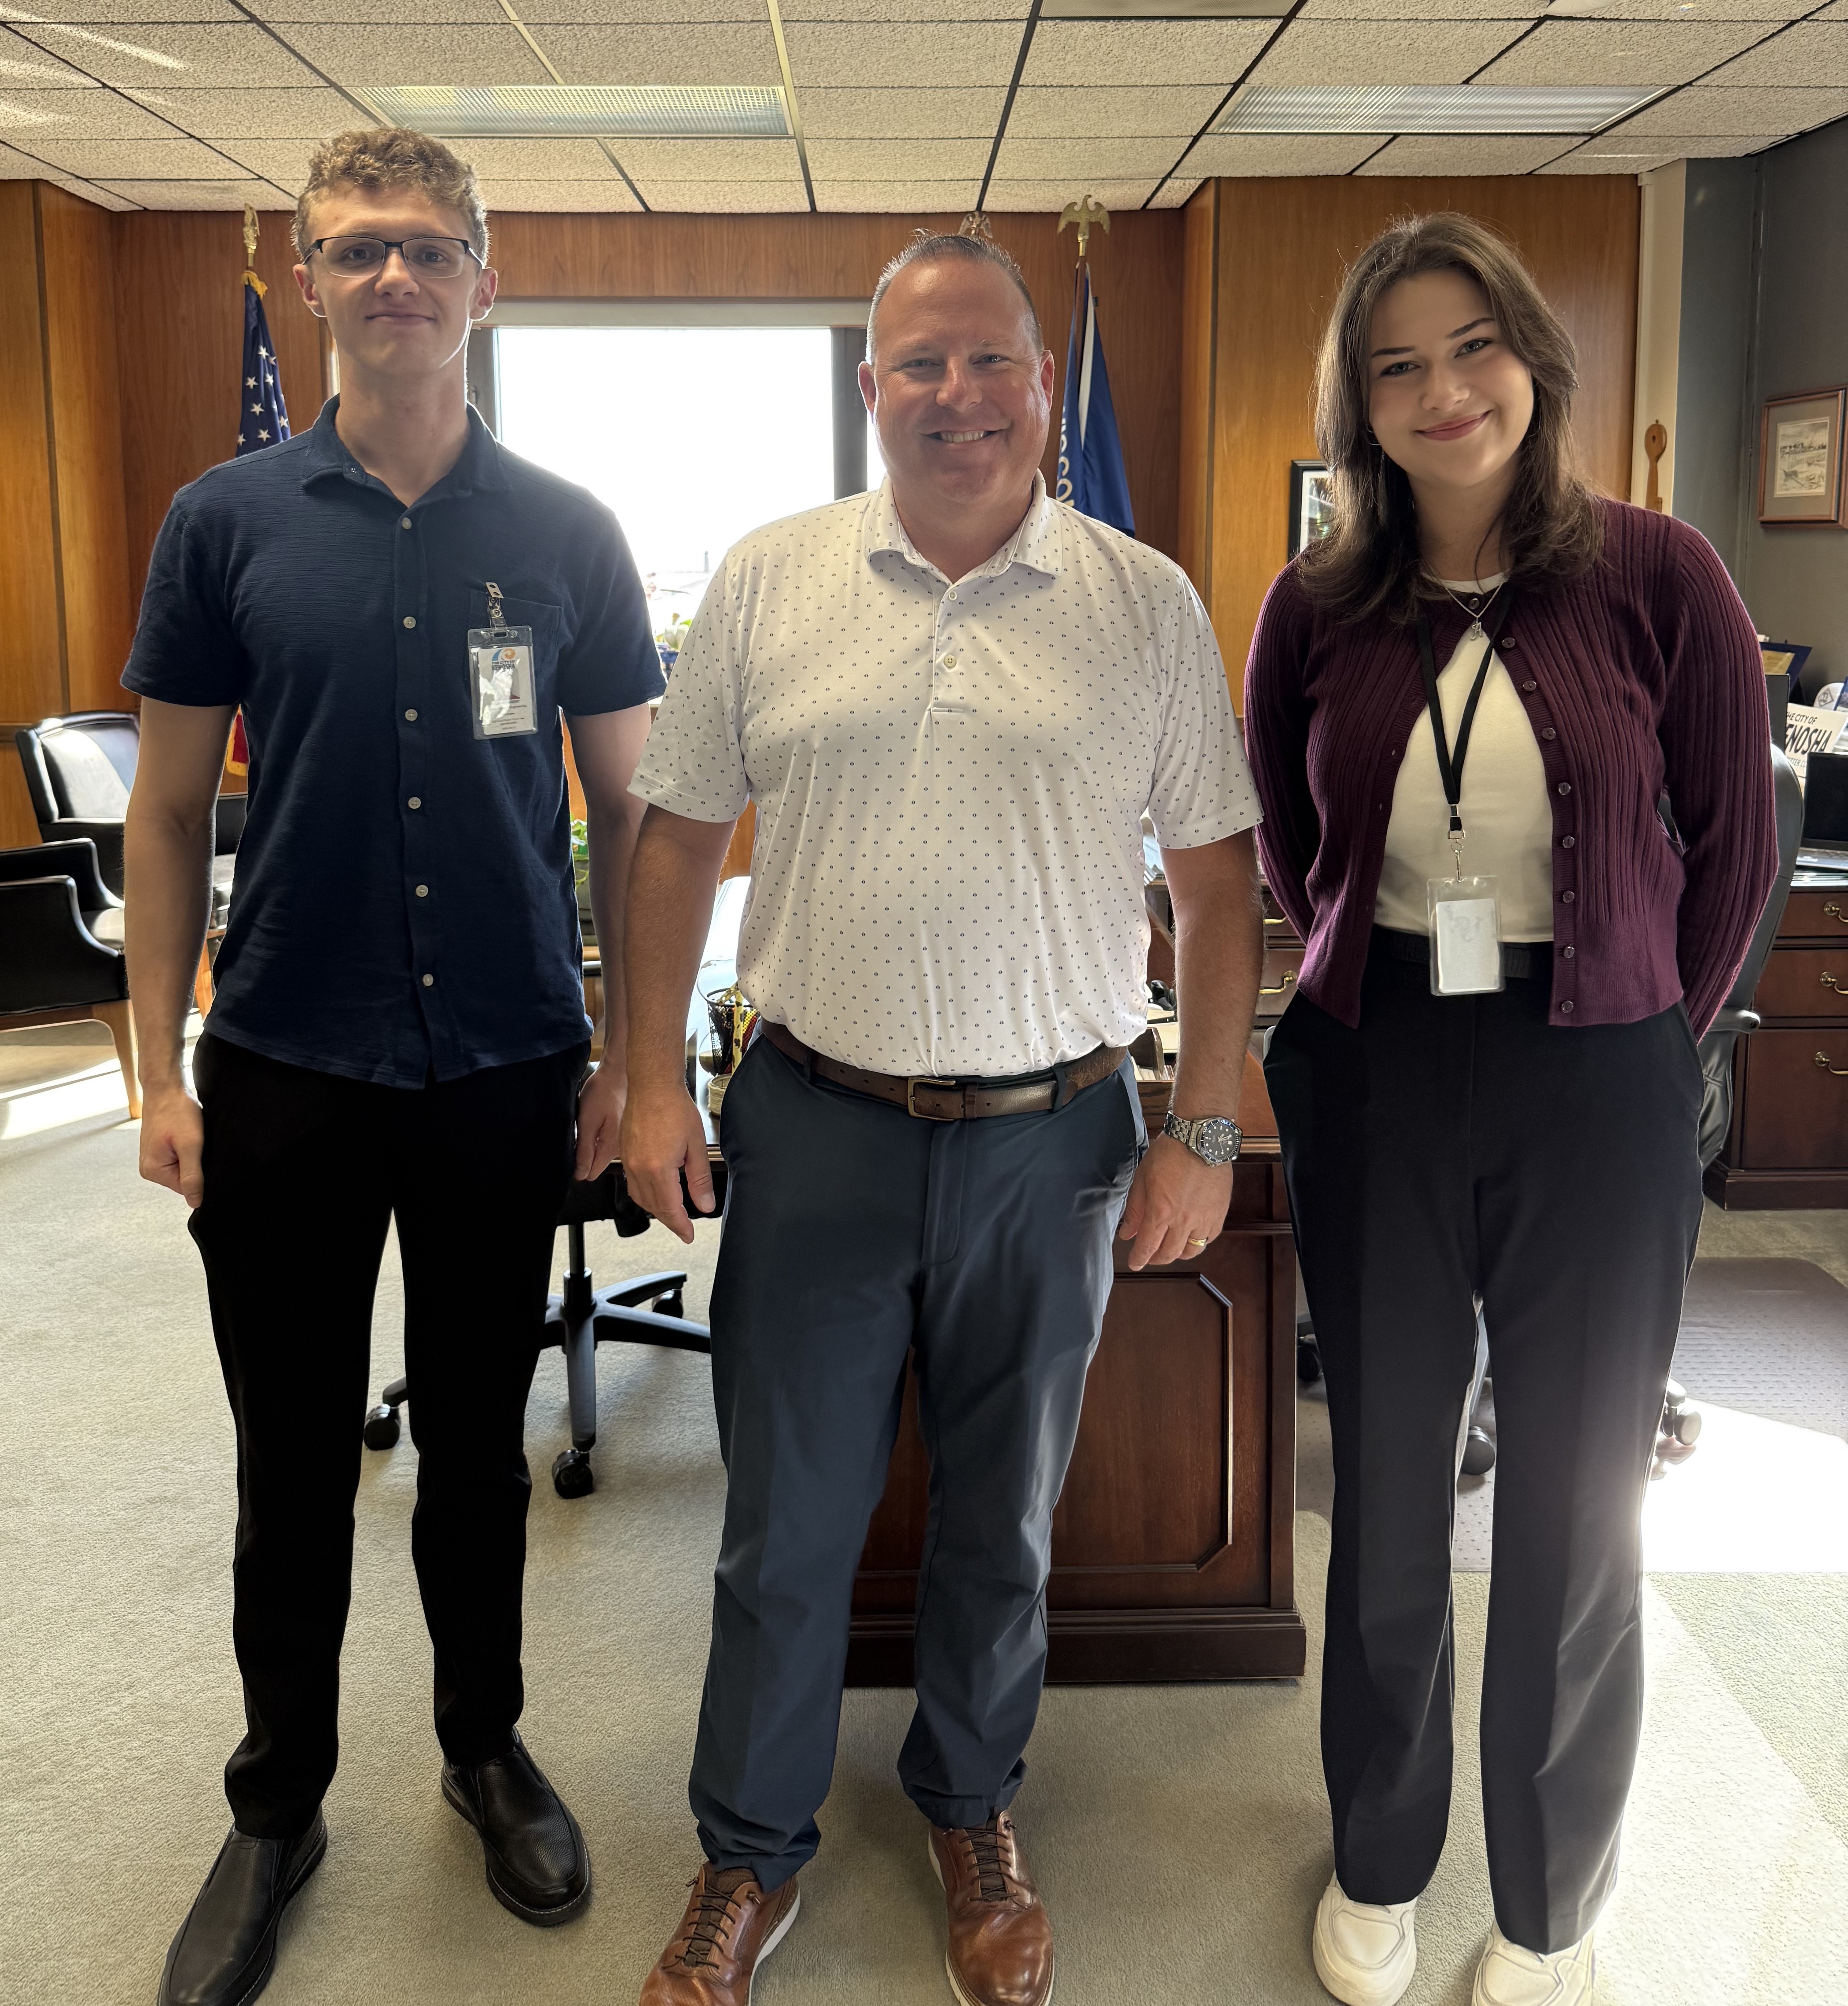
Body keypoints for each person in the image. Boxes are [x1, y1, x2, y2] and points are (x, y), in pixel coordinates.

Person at [619, 231, 1264, 2006]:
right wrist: (653, 1070)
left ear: (1043, 387)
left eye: (993, 362)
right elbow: (675, 838)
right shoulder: (769, 580)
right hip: (818, 1122)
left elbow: (1219, 890)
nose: (960, 396)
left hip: (1046, 1143)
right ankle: (748, 1854)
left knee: (1004, 1525)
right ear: (871, 388)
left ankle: (971, 1808)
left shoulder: (1143, 600)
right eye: (924, 365)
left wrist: (1198, 1128)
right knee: (785, 1528)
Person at [123, 129, 663, 2006]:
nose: (395, 279)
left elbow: (633, 811)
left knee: (475, 1458)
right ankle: (278, 1803)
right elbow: (172, 808)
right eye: (357, 250)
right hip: (281, 1057)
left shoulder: (571, 535)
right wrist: (154, 1073)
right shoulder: (227, 523)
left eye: (430, 249)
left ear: (483, 284)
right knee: (288, 1460)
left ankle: (482, 1745)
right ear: (311, 283)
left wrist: (632, 1054)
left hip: (505, 1063)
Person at [1245, 213, 1777, 2006]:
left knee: (1571, 1506)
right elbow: (1290, 832)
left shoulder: (1660, 572)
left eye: (1469, 346)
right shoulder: (1315, 601)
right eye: (1394, 364)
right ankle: (1381, 1859)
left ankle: (1550, 1902)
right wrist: (1355, 986)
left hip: (1600, 1077)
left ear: (1533, 361)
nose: (1440, 390)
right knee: (1390, 1484)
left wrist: (1644, 1033)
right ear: (1360, 404)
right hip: (1380, 1061)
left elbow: (1735, 840)